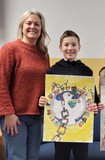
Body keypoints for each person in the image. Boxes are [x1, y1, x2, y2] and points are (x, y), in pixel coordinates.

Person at [39, 30, 102, 160]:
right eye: (66, 45)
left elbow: (93, 100)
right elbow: (47, 98)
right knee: (61, 156)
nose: (70, 48)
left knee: (81, 156)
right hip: (60, 127)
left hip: (81, 128)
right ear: (60, 47)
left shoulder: (86, 71)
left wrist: (94, 108)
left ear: (79, 47)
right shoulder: (53, 71)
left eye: (73, 45)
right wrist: (42, 101)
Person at [0, 9, 50, 160]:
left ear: (41, 29)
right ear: (22, 26)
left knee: (33, 157)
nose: (32, 27)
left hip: (36, 117)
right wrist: (7, 113)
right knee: (17, 157)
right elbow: (1, 81)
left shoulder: (43, 53)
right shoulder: (10, 49)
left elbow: (46, 83)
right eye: (29, 23)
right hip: (15, 117)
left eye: (37, 24)